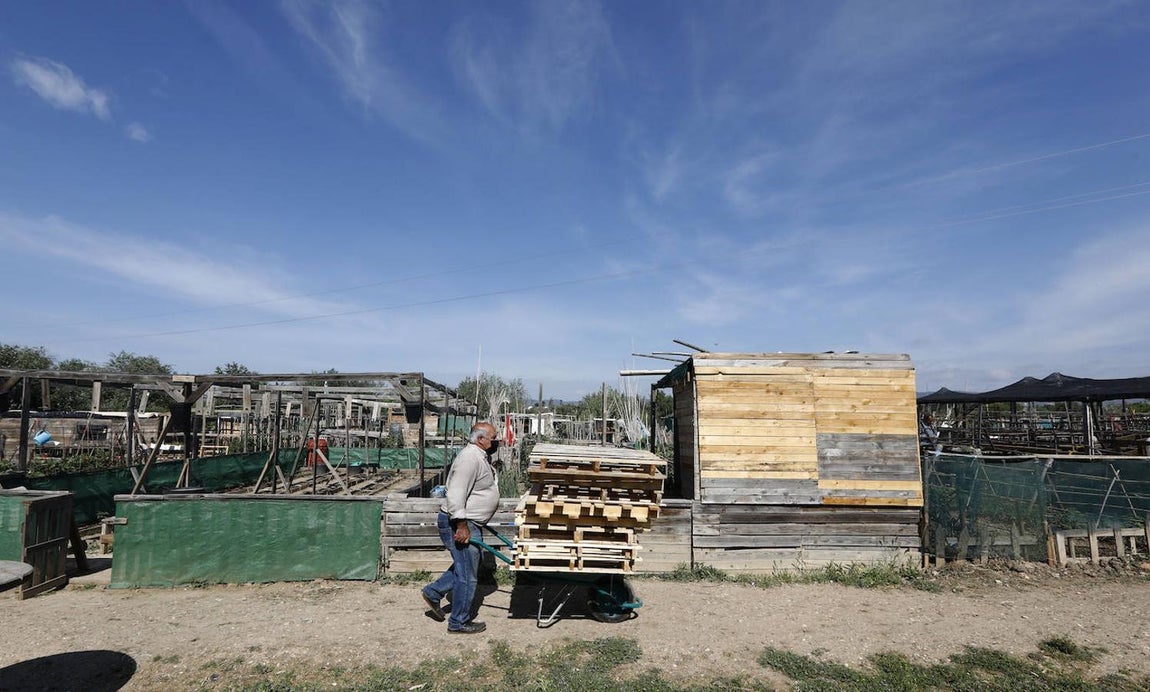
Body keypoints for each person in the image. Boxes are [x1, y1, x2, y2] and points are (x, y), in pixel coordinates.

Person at [421, 421, 500, 633]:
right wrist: (461, 525)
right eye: (493, 438)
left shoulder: (478, 456)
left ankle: (433, 592)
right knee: (467, 575)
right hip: (460, 523)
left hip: (470, 521)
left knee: (467, 566)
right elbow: (455, 493)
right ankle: (458, 622)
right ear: (481, 439)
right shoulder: (469, 459)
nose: (496, 441)